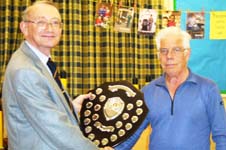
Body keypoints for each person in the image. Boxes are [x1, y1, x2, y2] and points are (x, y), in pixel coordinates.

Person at [2, 1, 113, 150]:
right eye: (41, 22)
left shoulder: (39, 62)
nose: (50, 28)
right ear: (24, 27)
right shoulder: (25, 70)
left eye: (55, 22)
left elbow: (41, 110)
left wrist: (70, 106)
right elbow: (55, 127)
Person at [115, 27, 226, 150]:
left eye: (176, 50)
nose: (169, 56)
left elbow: (222, 136)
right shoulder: (148, 91)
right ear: (158, 56)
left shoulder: (208, 89)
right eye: (163, 51)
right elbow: (133, 132)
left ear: (187, 54)